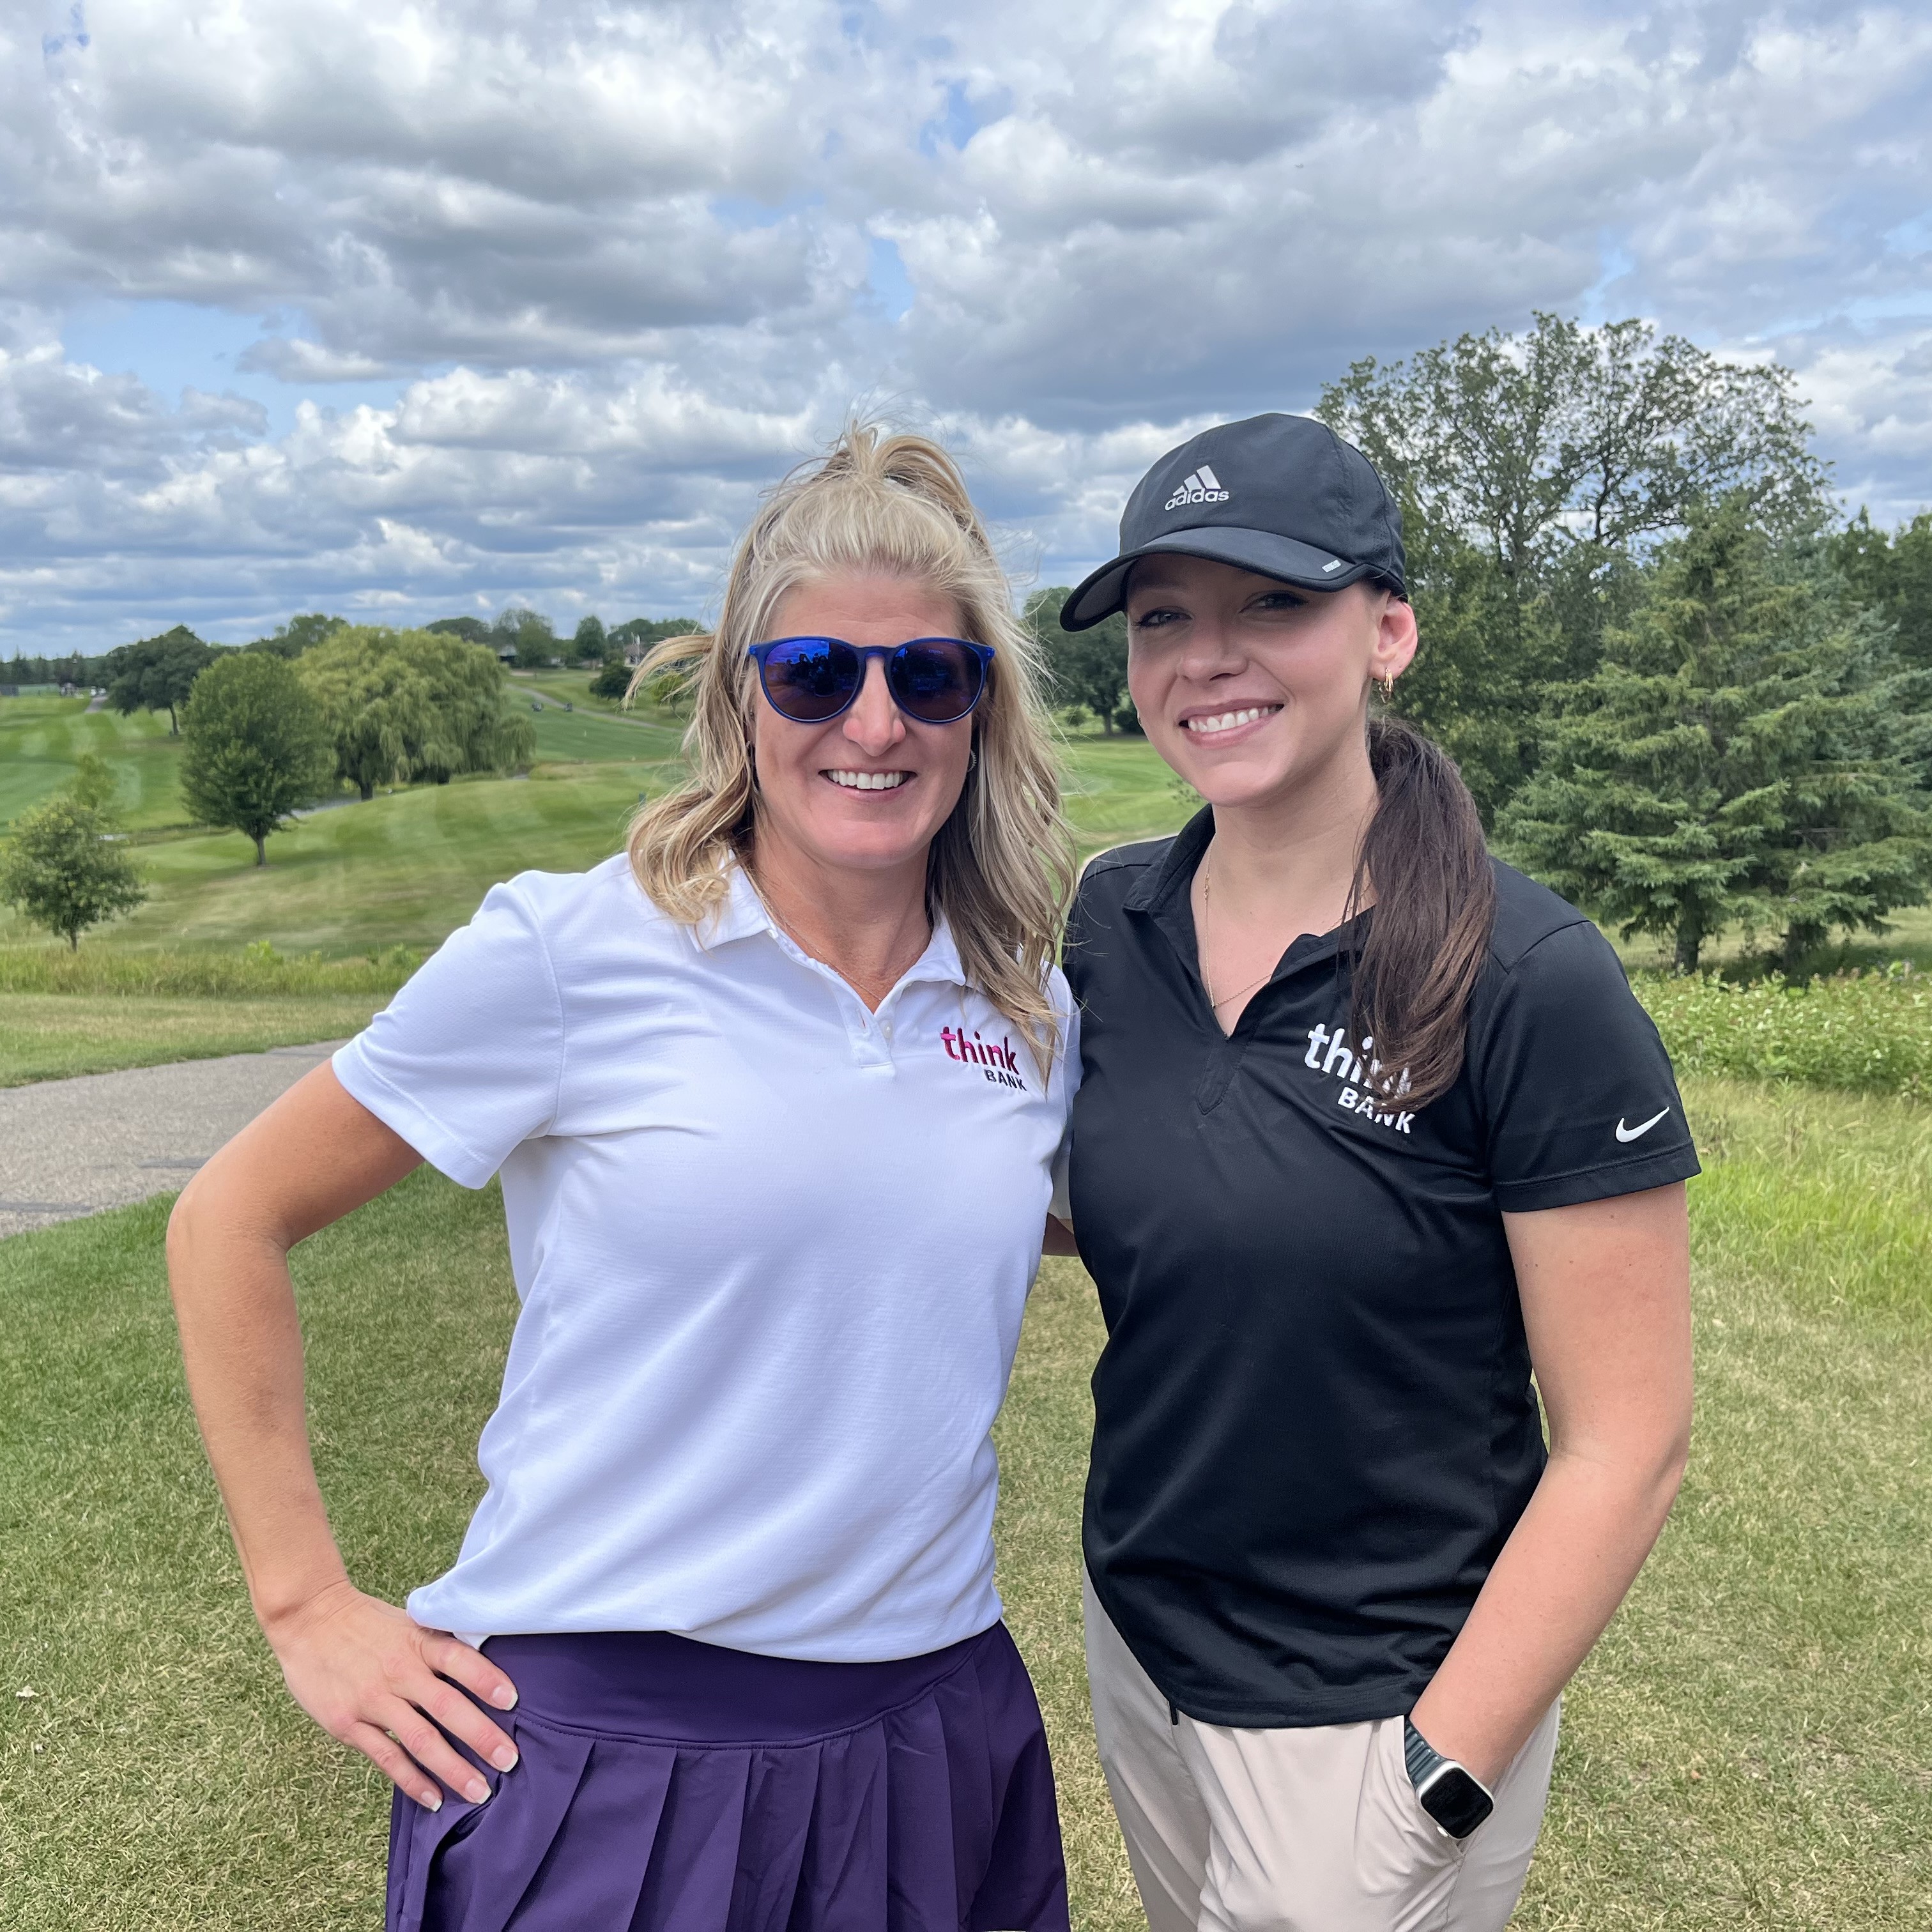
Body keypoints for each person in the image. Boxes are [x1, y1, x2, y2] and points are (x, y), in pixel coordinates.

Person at [167, 426, 1080, 1932]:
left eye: (930, 676)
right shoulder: (572, 952)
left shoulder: (1026, 1007)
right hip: (612, 1748)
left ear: (980, 714)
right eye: (813, 674)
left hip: (935, 1719)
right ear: (740, 695)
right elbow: (230, 1219)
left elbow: (1049, 1224)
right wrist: (307, 1605)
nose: (875, 720)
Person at [1048, 413, 1698, 1931]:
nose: (1210, 656)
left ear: (1388, 631)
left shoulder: (1529, 975)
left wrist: (1443, 1773)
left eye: (1274, 602)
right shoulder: (1109, 922)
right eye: (1164, 619)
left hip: (1372, 1713)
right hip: (1144, 1644)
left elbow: (1630, 1443)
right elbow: (1132, 1209)